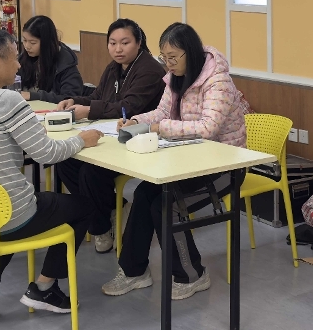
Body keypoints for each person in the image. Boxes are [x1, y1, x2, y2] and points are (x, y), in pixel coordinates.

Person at [0, 29, 102, 320]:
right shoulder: (6, 100)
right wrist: (82, 140)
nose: (18, 65)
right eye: (14, 59)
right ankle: (44, 286)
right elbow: (47, 154)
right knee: (84, 206)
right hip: (9, 215)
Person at [102, 23, 249, 300]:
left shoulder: (217, 81)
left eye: (173, 58)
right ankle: (134, 271)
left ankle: (192, 274)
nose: (168, 64)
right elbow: (161, 112)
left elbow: (208, 128)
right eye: (164, 57)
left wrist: (162, 128)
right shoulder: (174, 77)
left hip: (224, 168)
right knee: (143, 193)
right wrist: (136, 120)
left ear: (189, 53)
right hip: (188, 161)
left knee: (166, 203)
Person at [54, 18, 166, 253]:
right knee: (65, 163)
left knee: (90, 172)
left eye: (125, 42)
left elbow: (129, 106)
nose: (118, 49)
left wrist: (88, 111)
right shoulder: (114, 67)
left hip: (139, 143)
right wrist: (74, 101)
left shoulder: (150, 70)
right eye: (112, 43)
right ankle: (112, 210)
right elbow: (97, 97)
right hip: (111, 139)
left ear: (139, 43)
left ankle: (99, 227)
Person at [18, 15, 84, 103]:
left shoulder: (65, 63)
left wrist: (34, 96)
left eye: (33, 43)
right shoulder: (24, 58)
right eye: (24, 40)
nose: (27, 46)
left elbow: (70, 98)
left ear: (46, 42)